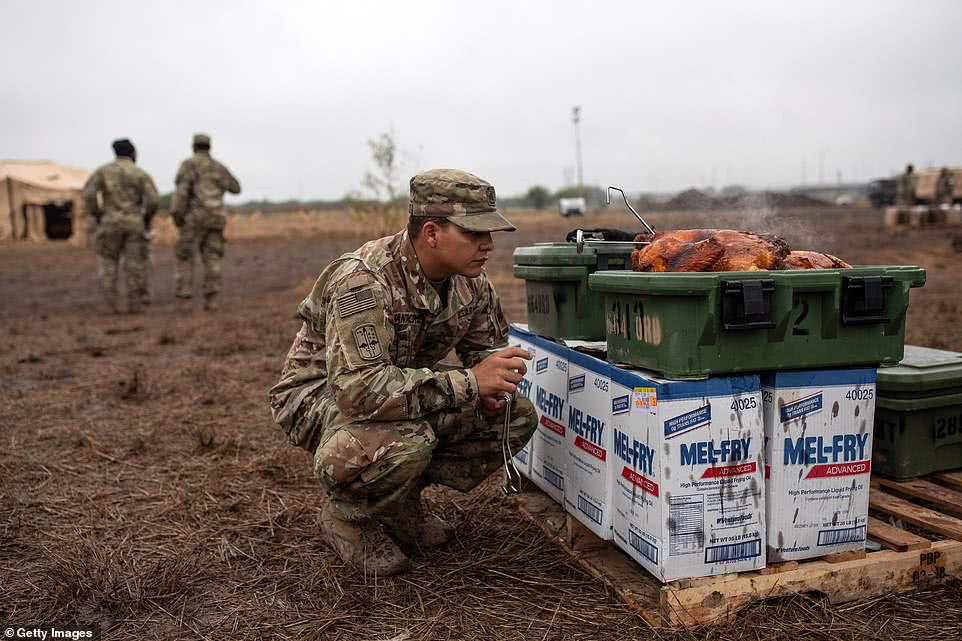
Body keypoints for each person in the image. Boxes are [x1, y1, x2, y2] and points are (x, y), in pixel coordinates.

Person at [268, 168, 538, 575]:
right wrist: (468, 383)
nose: (488, 246)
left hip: (396, 391)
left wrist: (489, 390)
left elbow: (481, 351)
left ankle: (398, 504)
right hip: (317, 397)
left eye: (491, 234)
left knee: (515, 417)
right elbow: (358, 389)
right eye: (474, 234)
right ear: (431, 232)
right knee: (411, 438)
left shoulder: (471, 284)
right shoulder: (364, 281)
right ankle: (347, 518)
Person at [82, 139, 159, 314]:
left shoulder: (103, 172)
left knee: (108, 264)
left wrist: (97, 214)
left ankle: (109, 305)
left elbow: (88, 194)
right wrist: (145, 218)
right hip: (134, 223)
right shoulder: (140, 174)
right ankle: (136, 305)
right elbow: (153, 200)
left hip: (109, 223)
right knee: (135, 265)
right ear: (133, 153)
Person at [170, 133, 241, 311]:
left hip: (193, 218)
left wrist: (177, 216)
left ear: (193, 146)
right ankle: (212, 299)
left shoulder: (188, 165)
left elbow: (181, 194)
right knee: (212, 257)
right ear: (209, 147)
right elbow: (235, 188)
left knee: (185, 257)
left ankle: (185, 299)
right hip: (216, 218)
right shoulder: (218, 167)